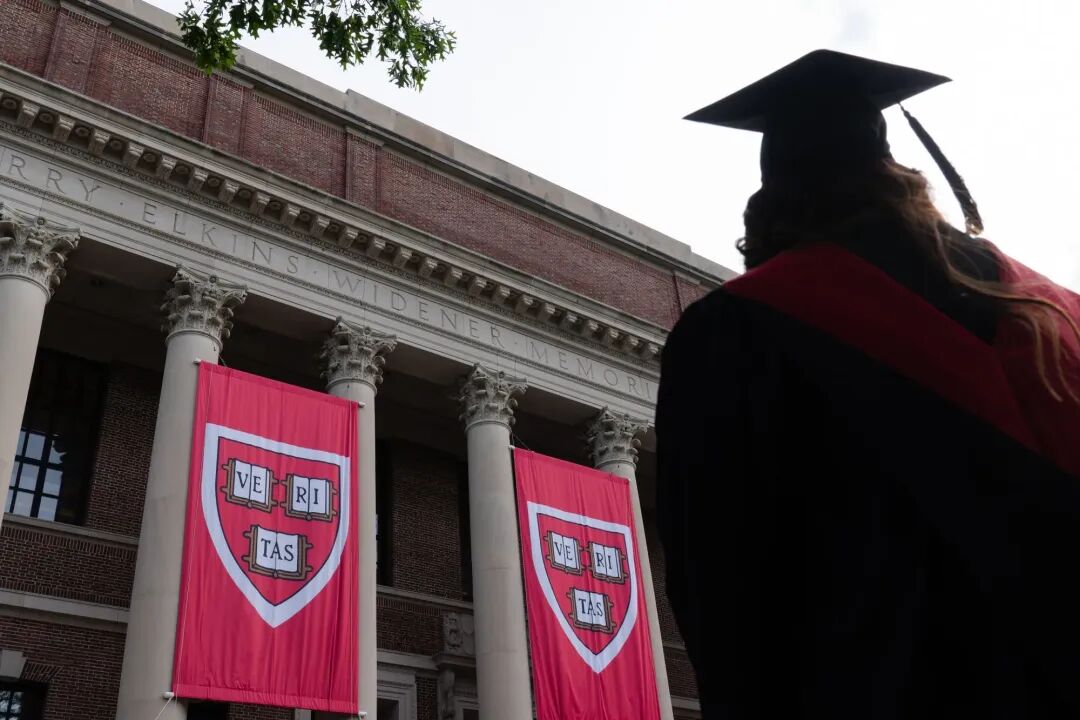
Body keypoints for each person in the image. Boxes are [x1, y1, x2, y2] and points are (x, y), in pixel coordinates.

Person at [656, 49, 1080, 719]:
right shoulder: (1052, 311)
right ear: (895, 170)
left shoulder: (736, 333)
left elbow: (725, 597)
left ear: (768, 199)